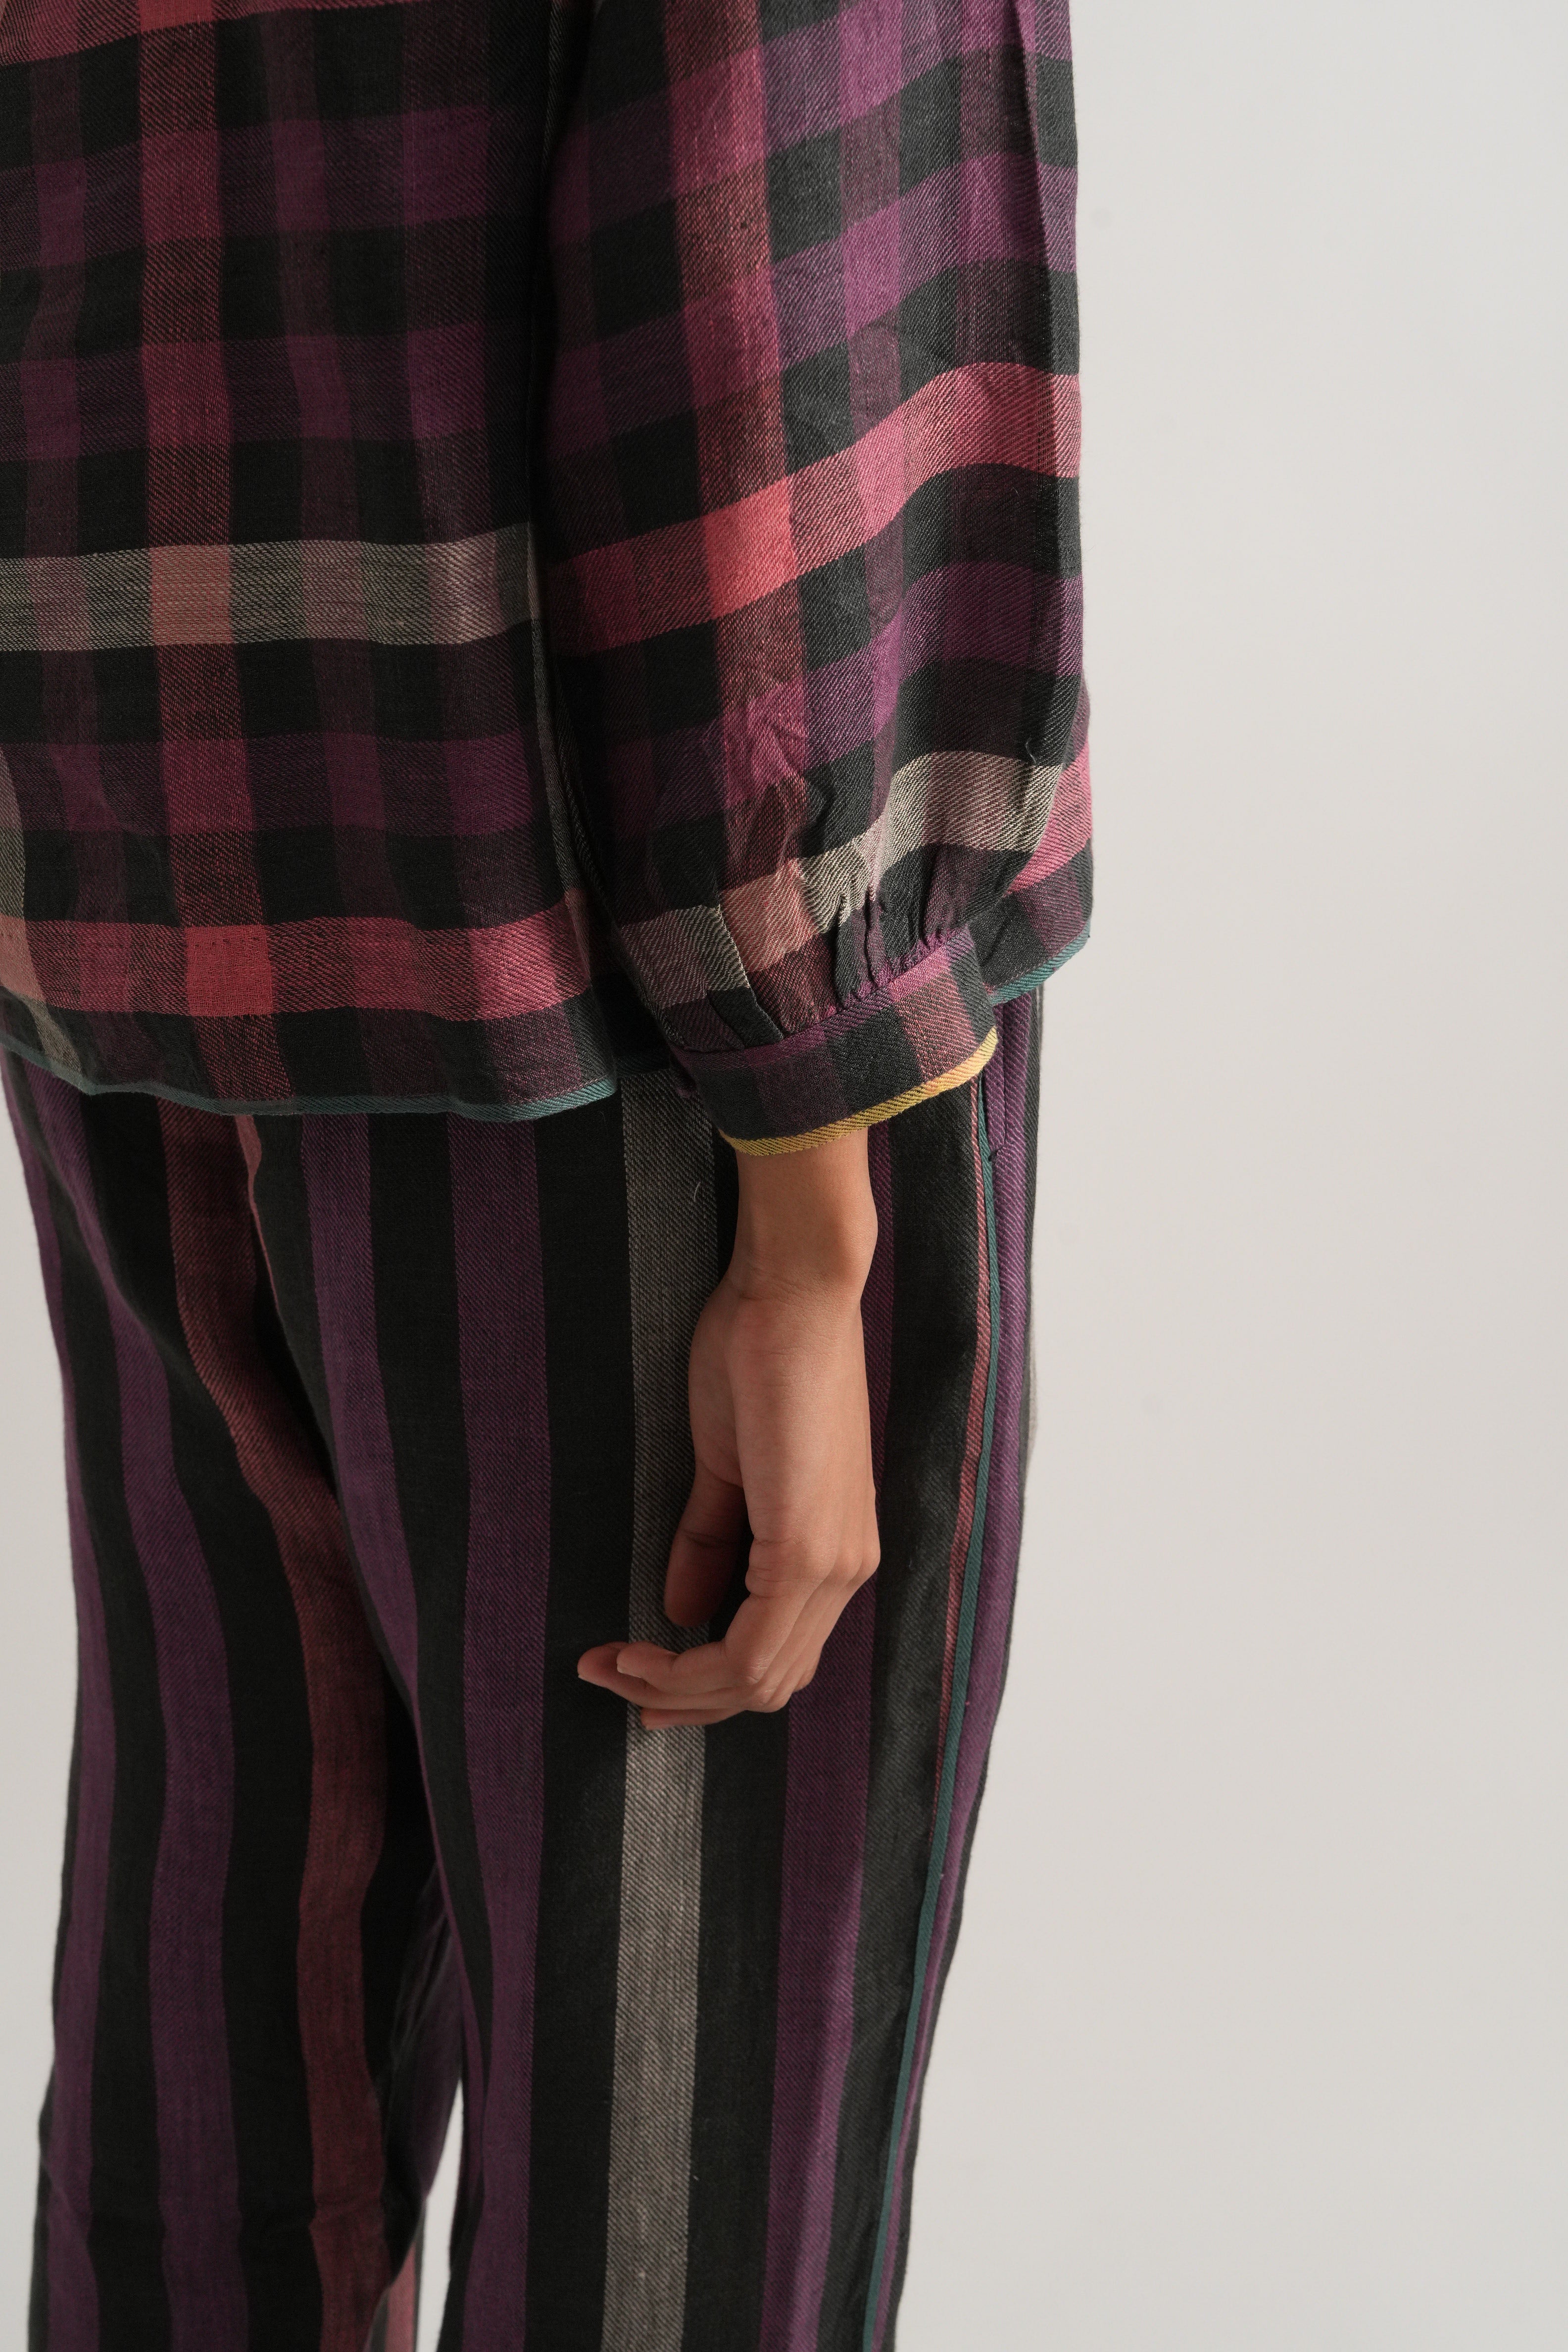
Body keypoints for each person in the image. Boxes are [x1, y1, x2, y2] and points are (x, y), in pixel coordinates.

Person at [0, 0, 1090, 2340]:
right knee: (676, 2196)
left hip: (125, 868)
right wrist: (812, 1176)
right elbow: (764, 193)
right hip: (626, 980)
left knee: (210, 2064)